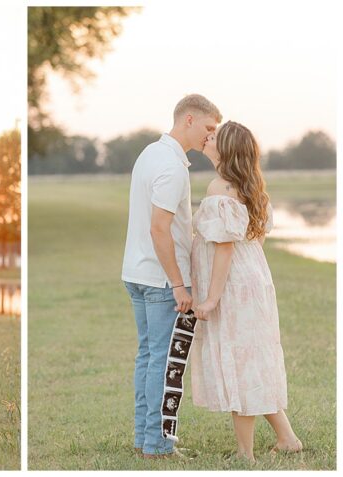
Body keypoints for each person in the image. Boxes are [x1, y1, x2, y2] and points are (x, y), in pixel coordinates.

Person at [189, 121, 302, 462]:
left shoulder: (220, 188)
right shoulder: (251, 187)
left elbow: (224, 248)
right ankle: (287, 439)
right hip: (255, 280)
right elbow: (255, 240)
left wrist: (211, 297)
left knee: (241, 362)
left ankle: (245, 454)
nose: (208, 138)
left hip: (234, 286)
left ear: (226, 151)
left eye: (214, 137)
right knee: (254, 359)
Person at [121, 94, 221, 458]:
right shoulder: (173, 167)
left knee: (148, 357)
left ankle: (144, 439)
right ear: (189, 119)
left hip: (136, 272)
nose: (211, 137)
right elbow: (159, 229)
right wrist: (179, 283)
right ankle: (158, 445)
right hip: (161, 280)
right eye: (209, 128)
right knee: (164, 363)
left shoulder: (150, 153)